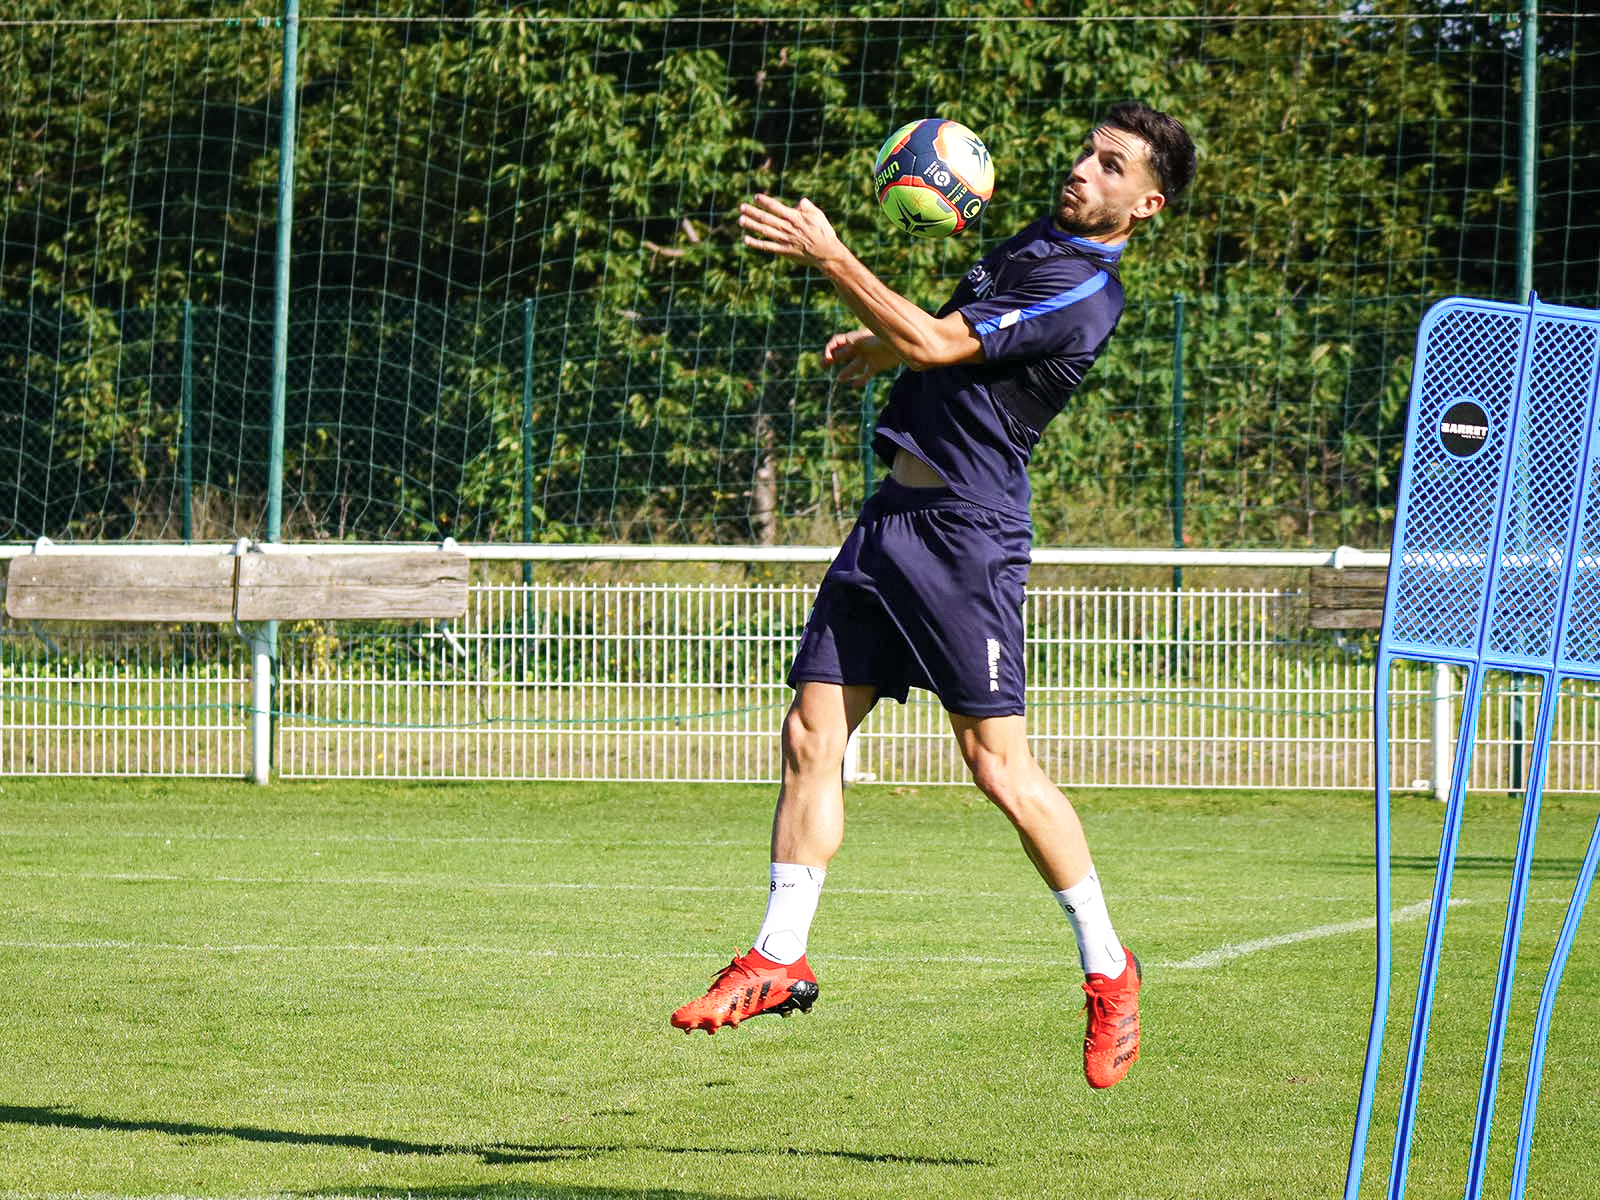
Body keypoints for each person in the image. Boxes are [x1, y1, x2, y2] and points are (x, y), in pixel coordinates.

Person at [670, 101, 1196, 1091]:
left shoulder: (1085, 287)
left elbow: (941, 347)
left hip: (965, 536)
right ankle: (779, 954)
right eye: (1086, 150)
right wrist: (882, 346)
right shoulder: (1033, 241)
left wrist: (834, 258)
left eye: (1111, 165)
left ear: (1146, 204)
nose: (1083, 167)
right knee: (810, 733)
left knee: (997, 766)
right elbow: (947, 343)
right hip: (891, 521)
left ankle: (1108, 969)